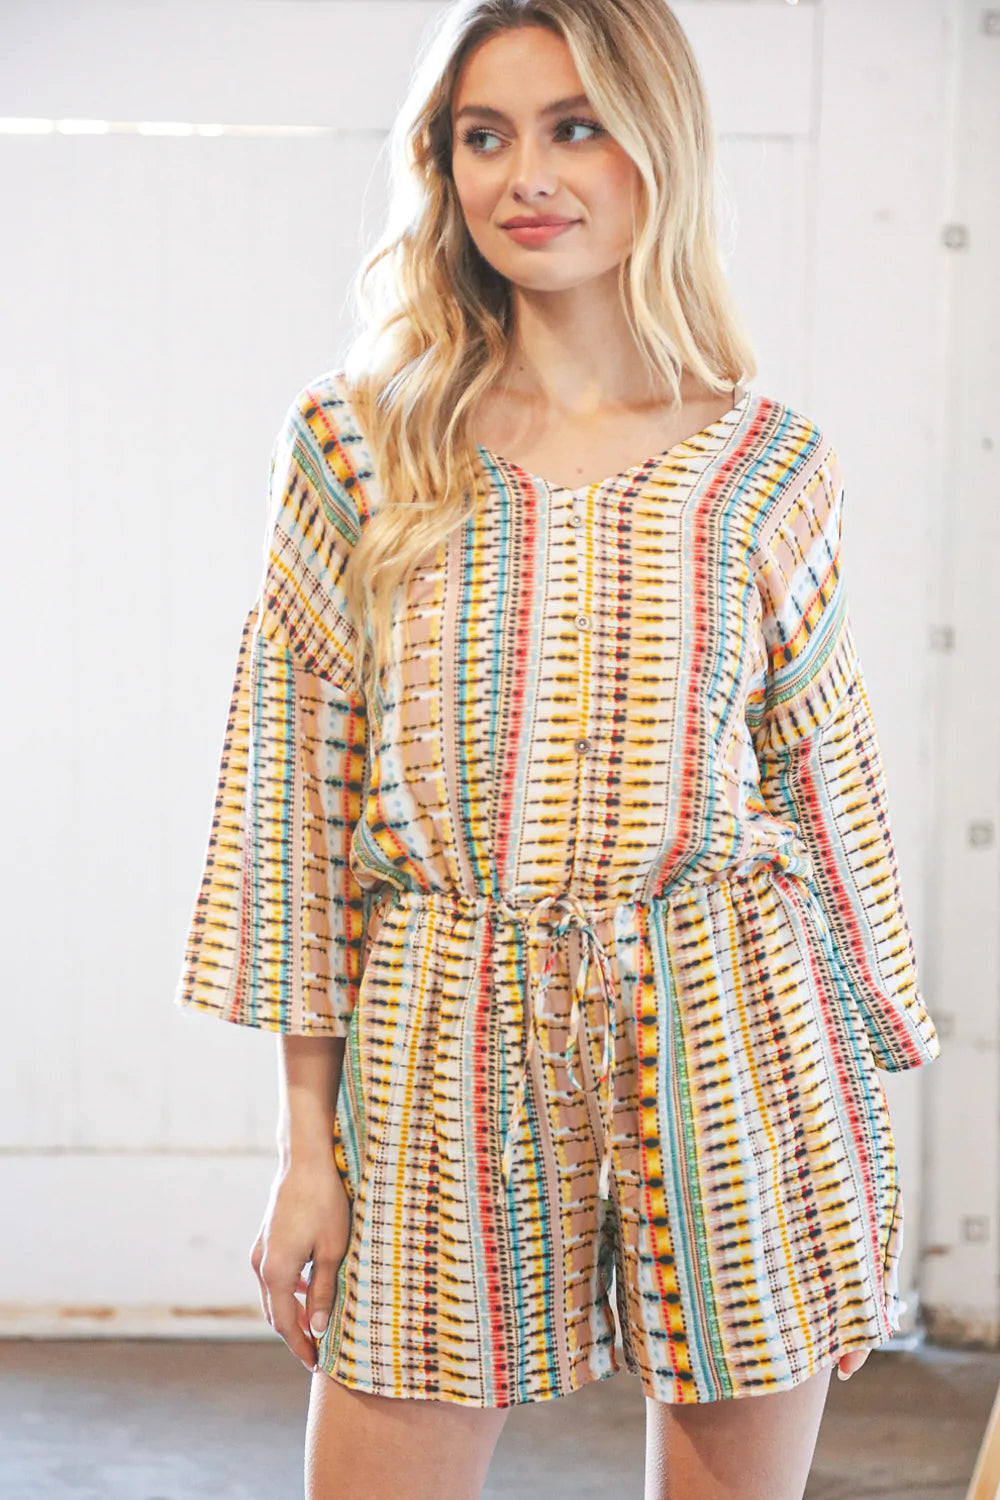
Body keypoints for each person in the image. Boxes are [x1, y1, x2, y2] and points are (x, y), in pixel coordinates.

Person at [173, 2, 943, 1496]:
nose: (525, 173)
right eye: (486, 135)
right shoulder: (358, 445)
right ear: (443, 166)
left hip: (735, 1030)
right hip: (440, 1025)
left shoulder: (769, 463)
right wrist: (306, 1149)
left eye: (574, 126)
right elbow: (295, 803)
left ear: (659, 145)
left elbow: (823, 778)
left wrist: (858, 1124)